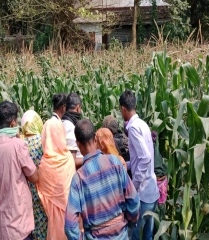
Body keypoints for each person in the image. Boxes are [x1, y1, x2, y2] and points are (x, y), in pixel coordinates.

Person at [65, 119, 140, 240]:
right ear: (95, 138)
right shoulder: (115, 162)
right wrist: (129, 224)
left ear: (78, 144)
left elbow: (70, 226)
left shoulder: (78, 178)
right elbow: (134, 201)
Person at [0, 101, 39, 240]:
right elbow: (34, 178)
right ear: (13, 123)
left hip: (3, 229)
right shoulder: (18, 145)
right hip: (21, 227)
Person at [119, 90, 159, 240]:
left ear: (123, 108)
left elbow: (145, 158)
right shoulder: (143, 124)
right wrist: (127, 165)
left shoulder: (134, 128)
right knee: (147, 236)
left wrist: (134, 185)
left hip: (143, 194)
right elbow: (141, 157)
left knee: (136, 236)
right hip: (151, 192)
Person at [37, 118, 76, 240]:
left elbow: (42, 195)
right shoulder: (68, 158)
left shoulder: (44, 164)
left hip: (53, 223)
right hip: (71, 219)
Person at [21, 110, 48, 240]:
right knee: (44, 226)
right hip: (43, 191)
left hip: (26, 194)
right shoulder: (42, 141)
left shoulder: (20, 144)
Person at [62, 92, 83, 168]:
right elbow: (72, 161)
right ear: (78, 108)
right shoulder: (71, 128)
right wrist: (88, 158)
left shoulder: (62, 122)